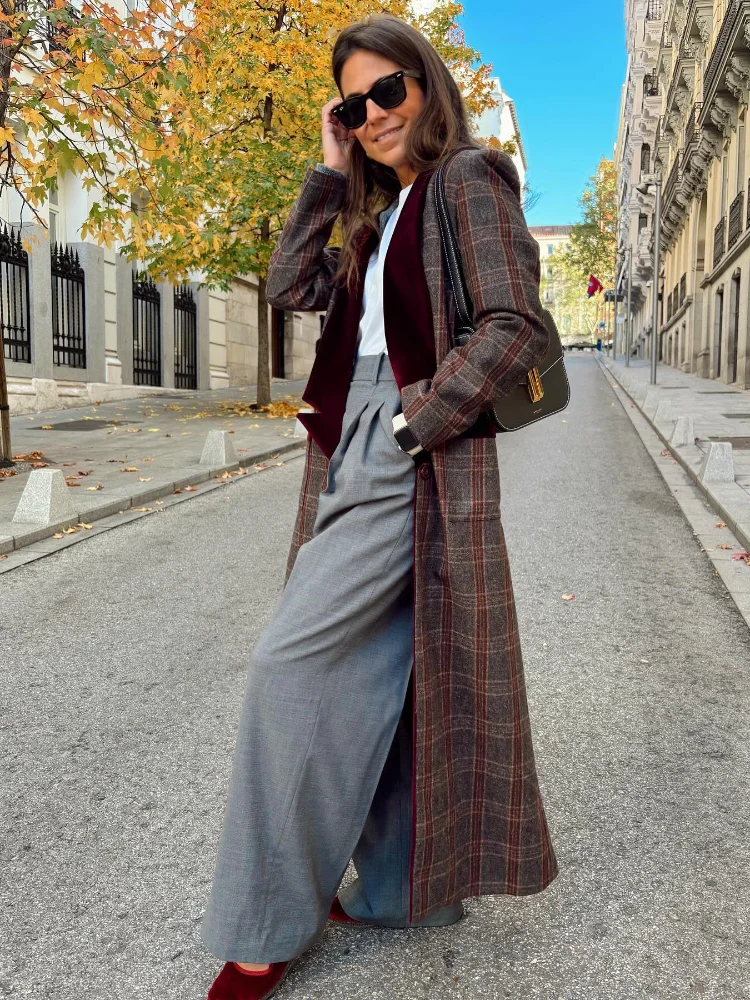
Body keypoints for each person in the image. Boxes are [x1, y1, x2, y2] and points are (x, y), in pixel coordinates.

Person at [201, 13, 558, 1000]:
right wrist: (328, 168)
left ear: (427, 85)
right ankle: (408, 887)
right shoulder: (373, 213)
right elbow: (288, 284)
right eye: (353, 105)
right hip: (349, 435)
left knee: (290, 662)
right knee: (390, 665)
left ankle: (269, 922)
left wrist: (413, 426)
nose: (372, 116)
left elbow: (515, 325)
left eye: (387, 93)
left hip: (403, 440)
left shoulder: (468, 182)